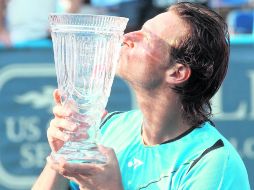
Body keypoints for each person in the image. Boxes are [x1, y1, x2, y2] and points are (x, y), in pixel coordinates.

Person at [32, 2, 250, 190]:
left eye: (147, 37)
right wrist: (61, 156)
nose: (127, 36)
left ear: (177, 72)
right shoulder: (107, 128)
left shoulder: (214, 164)